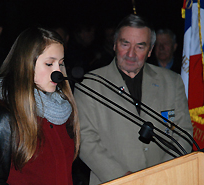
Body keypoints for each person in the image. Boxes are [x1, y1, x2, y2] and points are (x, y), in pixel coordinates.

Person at [74, 14, 193, 185]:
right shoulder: (90, 84)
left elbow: (184, 134)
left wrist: (163, 174)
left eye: (140, 46)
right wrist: (124, 177)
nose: (131, 54)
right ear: (114, 44)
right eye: (125, 44)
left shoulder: (172, 82)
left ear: (150, 50)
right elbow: (84, 140)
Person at [0, 27, 80, 185]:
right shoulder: (4, 116)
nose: (58, 72)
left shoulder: (63, 111)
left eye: (60, 64)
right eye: (49, 63)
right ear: (26, 64)